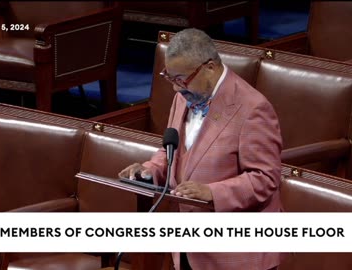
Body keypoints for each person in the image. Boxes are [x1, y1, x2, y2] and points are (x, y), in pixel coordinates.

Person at [119, 28, 283, 270]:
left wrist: (212, 192)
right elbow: (172, 151)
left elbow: (265, 178)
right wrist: (149, 171)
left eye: (182, 79)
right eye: (170, 77)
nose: (176, 88)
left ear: (209, 67)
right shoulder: (183, 97)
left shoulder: (253, 108)